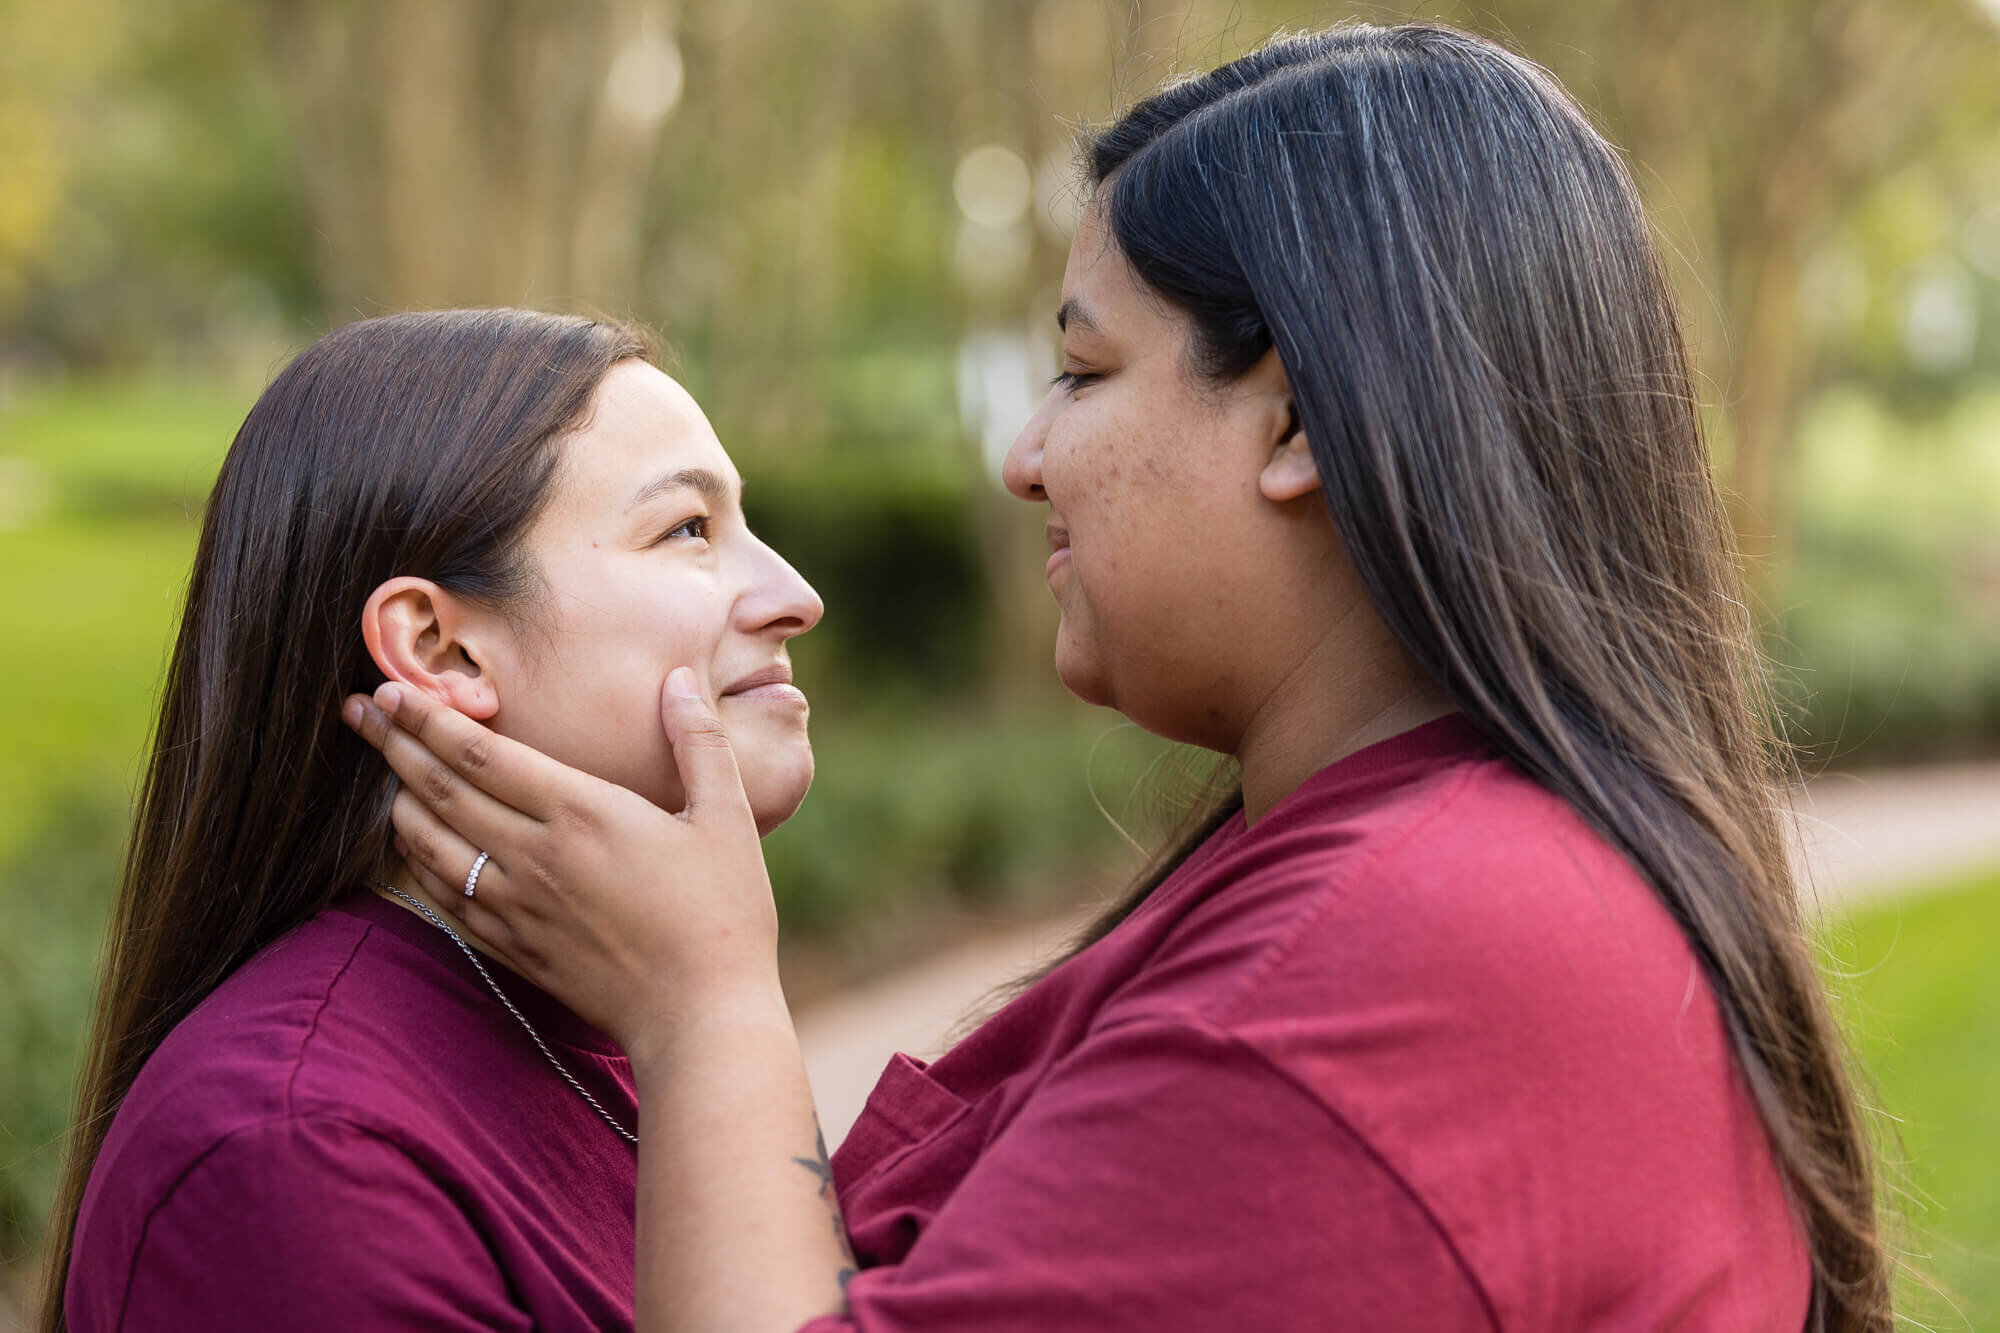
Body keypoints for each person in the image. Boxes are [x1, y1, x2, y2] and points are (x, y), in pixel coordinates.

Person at [345, 23, 1892, 1333]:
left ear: (1293, 420)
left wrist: (706, 1011)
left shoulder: (1413, 962)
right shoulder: (1386, 876)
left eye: (1082, 373)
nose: (1027, 459)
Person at [44, 309, 825, 1331]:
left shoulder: (608, 1005)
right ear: (441, 649)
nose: (792, 595)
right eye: (687, 529)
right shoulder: (295, 1155)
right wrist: (716, 1011)